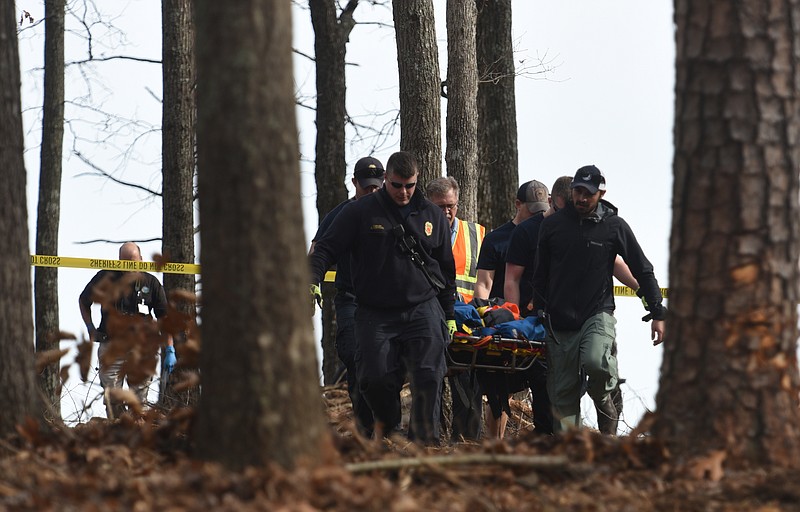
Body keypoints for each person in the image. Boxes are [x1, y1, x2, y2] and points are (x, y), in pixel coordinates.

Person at [309, 151, 455, 444]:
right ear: (386, 179)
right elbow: (324, 248)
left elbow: (446, 271)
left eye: (410, 186)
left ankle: (425, 443)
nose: (403, 192)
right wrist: (311, 281)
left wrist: (448, 314)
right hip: (375, 312)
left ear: (417, 182)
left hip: (421, 307)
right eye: (397, 185)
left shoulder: (431, 215)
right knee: (374, 379)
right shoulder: (359, 213)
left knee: (428, 375)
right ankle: (389, 431)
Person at [532, 165, 665, 435]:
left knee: (596, 362)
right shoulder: (552, 226)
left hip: (597, 313)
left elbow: (642, 268)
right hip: (559, 322)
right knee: (563, 398)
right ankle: (574, 458)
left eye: (588, 194)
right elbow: (540, 273)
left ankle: (605, 399)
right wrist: (540, 310)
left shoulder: (614, 226)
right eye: (577, 191)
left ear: (601, 193)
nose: (581, 198)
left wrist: (658, 312)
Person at [309, 156, 385, 436]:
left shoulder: (395, 212)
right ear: (354, 183)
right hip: (352, 301)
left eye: (378, 187)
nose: (373, 193)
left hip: (389, 304)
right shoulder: (341, 215)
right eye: (367, 188)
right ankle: (366, 431)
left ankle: (390, 430)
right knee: (357, 360)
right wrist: (312, 281)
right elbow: (319, 251)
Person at [473, 180, 550, 438]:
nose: (538, 213)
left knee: (541, 382)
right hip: (504, 321)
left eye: (543, 208)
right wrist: (485, 315)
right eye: (532, 208)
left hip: (536, 323)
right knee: (497, 386)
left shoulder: (547, 234)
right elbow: (484, 283)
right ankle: (493, 443)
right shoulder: (496, 239)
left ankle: (543, 438)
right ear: (518, 205)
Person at [79, 242, 173, 419]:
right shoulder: (106, 277)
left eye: (133, 260)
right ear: (118, 261)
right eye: (125, 261)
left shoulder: (151, 283)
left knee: (139, 401)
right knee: (112, 398)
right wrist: (90, 328)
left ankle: (138, 437)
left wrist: (169, 348)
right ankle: (116, 433)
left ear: (142, 260)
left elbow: (164, 319)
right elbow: (84, 301)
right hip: (111, 345)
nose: (129, 265)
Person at [426, 176, 486, 441]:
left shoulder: (478, 234)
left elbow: (488, 281)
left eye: (450, 205)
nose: (446, 212)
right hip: (428, 320)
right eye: (439, 206)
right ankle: (429, 441)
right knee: (428, 382)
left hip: (466, 324)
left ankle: (466, 442)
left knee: (468, 386)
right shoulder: (417, 231)